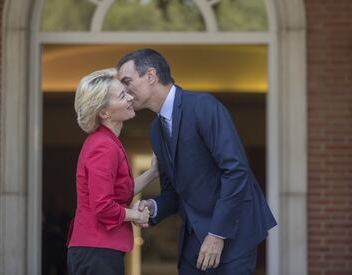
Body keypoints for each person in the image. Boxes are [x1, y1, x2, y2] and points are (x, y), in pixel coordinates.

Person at [117, 49, 277, 274]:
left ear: (151, 76)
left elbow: (236, 170)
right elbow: (174, 193)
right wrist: (154, 206)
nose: (123, 90)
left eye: (127, 81)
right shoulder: (155, 131)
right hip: (193, 237)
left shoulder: (203, 106)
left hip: (233, 231)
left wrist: (217, 234)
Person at [67, 68, 158, 275]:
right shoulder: (103, 146)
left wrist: (153, 173)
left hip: (98, 249)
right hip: (96, 250)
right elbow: (103, 206)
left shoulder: (107, 141)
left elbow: (121, 191)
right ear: (104, 112)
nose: (130, 97)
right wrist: (136, 215)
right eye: (122, 96)